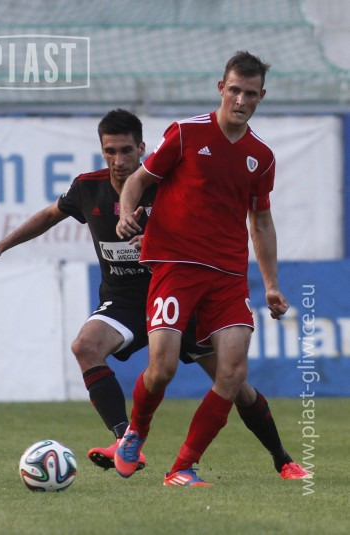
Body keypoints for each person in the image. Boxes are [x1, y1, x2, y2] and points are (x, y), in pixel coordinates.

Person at [0, 108, 308, 481]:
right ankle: (125, 439)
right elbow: (49, 215)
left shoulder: (168, 184)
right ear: (101, 151)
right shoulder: (87, 188)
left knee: (236, 385)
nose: (119, 160)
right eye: (110, 151)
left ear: (142, 149)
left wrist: (160, 242)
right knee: (85, 346)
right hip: (125, 301)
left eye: (127, 150)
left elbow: (208, 224)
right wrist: (1, 246)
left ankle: (282, 458)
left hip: (178, 293)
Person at [115, 53, 311, 486]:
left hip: (228, 276)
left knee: (234, 373)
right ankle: (136, 432)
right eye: (234, 90)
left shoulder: (261, 156)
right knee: (162, 369)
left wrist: (272, 285)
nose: (241, 100)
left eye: (250, 93)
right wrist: (127, 213)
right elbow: (138, 180)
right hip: (176, 265)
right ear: (221, 88)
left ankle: (182, 466)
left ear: (261, 96)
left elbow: (261, 221)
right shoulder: (186, 133)